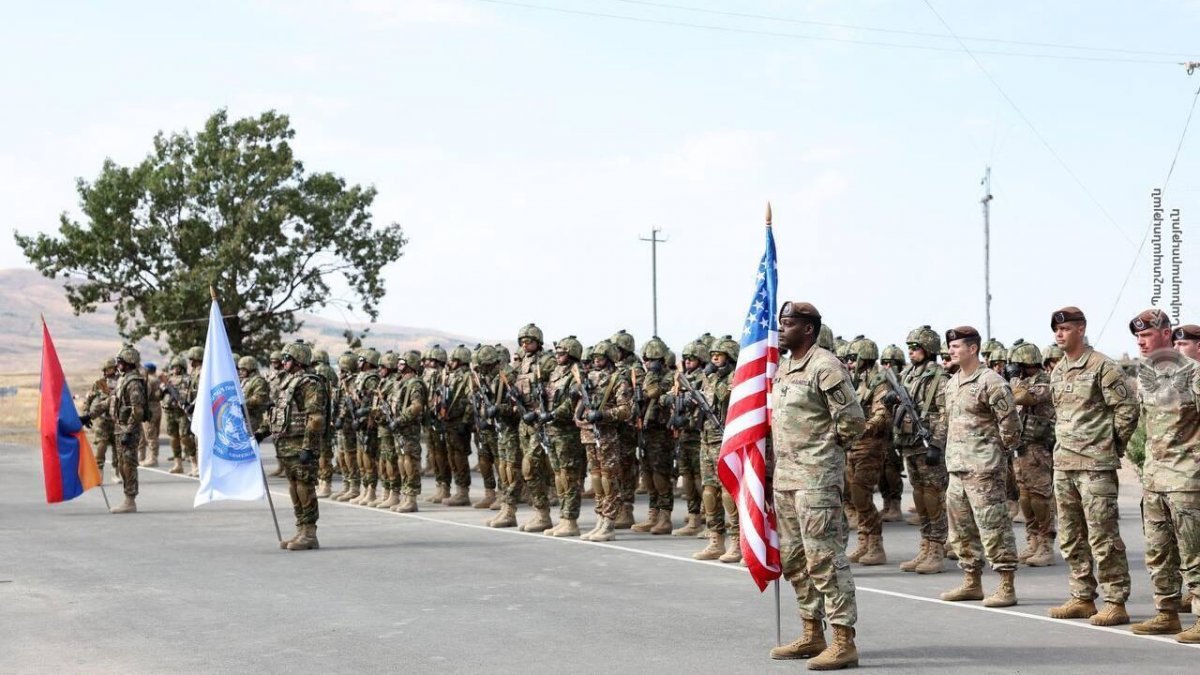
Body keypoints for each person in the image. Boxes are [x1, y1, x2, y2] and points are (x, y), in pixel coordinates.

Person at [770, 301, 864, 668]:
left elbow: (852, 422)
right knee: (794, 560)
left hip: (816, 481)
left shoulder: (824, 366)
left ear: (808, 329)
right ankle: (812, 633)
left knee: (825, 560)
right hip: (787, 480)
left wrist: (823, 453)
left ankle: (843, 640)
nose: (781, 329)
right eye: (781, 323)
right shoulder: (784, 367)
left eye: (789, 323)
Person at [1046, 306, 1138, 626]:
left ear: (1081, 329)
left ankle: (1115, 601)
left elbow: (1126, 410)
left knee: (1103, 535)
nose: (1060, 334)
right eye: (1056, 330)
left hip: (1095, 466)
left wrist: (1111, 446)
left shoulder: (1103, 366)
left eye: (1066, 329)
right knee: (1071, 536)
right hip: (1064, 463)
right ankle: (1082, 596)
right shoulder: (1058, 370)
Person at [1127, 310, 1200, 641]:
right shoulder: (1147, 375)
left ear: (1167, 334)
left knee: (1193, 553)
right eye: (1138, 338)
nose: (1141, 342)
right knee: (1158, 552)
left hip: (1187, 480)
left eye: (1147, 335)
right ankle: (1166, 613)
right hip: (1155, 479)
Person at [935, 327, 1022, 607]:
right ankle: (971, 582)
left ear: (973, 348)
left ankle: (1006, 586)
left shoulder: (991, 382)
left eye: (957, 345)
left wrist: (997, 454)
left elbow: (1010, 424)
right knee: (960, 530)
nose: (951, 350)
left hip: (984, 469)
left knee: (994, 527)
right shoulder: (952, 382)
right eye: (950, 345)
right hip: (957, 467)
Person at [894, 326, 950, 575]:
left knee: (933, 496)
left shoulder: (940, 378)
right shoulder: (908, 375)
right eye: (910, 347)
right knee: (919, 494)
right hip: (910, 443)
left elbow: (944, 415)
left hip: (928, 445)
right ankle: (925, 546)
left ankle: (937, 548)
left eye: (915, 348)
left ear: (928, 350)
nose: (911, 352)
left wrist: (937, 445)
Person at [267, 341, 325, 550]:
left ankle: (310, 533)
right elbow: (279, 410)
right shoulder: (288, 382)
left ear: (299, 360)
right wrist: (261, 432)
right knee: (293, 486)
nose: (283, 362)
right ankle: (301, 528)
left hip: (301, 444)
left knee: (304, 487)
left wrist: (308, 447)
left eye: (287, 358)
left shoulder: (310, 383)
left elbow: (315, 418)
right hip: (286, 443)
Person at [1007, 341, 1057, 567]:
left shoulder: (1044, 382)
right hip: (1021, 447)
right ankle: (1033, 539)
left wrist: (1014, 380)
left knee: (1040, 497)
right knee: (1025, 496)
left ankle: (1046, 543)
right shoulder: (1023, 382)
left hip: (1038, 448)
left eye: (1016, 365)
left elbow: (1022, 398)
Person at [578, 340, 633, 542]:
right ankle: (600, 518)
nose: (596, 361)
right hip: (589, 435)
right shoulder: (589, 378)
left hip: (607, 435)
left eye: (600, 358)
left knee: (608, 479)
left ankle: (609, 522)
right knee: (595, 479)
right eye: (594, 358)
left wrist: (603, 415)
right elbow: (582, 405)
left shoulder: (618, 380)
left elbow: (625, 410)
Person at [693, 336, 741, 563]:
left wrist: (711, 375)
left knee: (728, 494)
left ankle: (737, 542)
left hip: (726, 441)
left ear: (730, 358)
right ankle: (716, 539)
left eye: (719, 355)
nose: (713, 358)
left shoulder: (736, 377)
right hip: (706, 440)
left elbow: (723, 395)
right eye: (712, 355)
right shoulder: (708, 378)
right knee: (709, 492)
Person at [846, 338, 890, 566]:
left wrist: (864, 428)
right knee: (854, 496)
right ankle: (864, 540)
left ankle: (876, 543)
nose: (850, 363)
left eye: (854, 358)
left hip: (870, 445)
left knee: (860, 493)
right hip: (852, 445)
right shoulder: (855, 380)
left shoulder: (880, 381)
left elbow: (881, 414)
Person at [540, 336, 587, 536]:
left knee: (570, 477)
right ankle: (563, 517)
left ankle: (571, 520)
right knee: (558, 476)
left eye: (562, 353)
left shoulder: (577, 374)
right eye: (557, 352)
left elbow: (571, 403)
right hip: (553, 430)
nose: (557, 356)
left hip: (567, 432)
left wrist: (552, 414)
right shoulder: (556, 373)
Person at [667, 340, 706, 536]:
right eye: (686, 359)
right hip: (683, 436)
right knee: (688, 479)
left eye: (692, 358)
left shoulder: (703, 378)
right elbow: (665, 397)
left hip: (698, 436)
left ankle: (708, 516)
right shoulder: (681, 378)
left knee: (701, 480)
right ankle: (694, 519)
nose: (688, 362)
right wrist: (673, 400)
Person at [108, 346, 147, 513]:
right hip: (120, 429)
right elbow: (113, 401)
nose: (118, 364)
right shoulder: (123, 379)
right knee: (123, 464)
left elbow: (137, 410)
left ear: (129, 363)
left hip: (128, 430)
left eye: (121, 362)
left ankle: (130, 500)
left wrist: (129, 431)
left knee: (128, 465)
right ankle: (127, 498)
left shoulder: (133, 383)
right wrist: (90, 415)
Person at [388, 350, 427, 513]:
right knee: (402, 462)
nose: (398, 366)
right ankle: (405, 496)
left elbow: (417, 406)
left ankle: (411, 499)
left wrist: (400, 419)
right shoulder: (401, 383)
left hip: (408, 429)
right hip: (400, 430)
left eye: (402, 363)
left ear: (410, 365)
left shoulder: (415, 384)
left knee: (410, 462)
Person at [877, 345, 907, 523]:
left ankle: (895, 505)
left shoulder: (904, 381)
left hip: (897, 431)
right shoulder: (881, 381)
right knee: (881, 469)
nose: (888, 366)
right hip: (883, 430)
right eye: (885, 362)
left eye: (892, 363)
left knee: (892, 469)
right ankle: (887, 503)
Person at [349, 348, 382, 505]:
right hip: (359, 421)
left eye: (362, 360)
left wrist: (365, 415)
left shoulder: (372, 379)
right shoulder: (360, 377)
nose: (359, 363)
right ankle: (364, 488)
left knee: (369, 457)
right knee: (361, 457)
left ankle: (371, 490)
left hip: (368, 422)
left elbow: (374, 403)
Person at [82, 358, 117, 481]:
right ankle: (99, 472)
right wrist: (86, 415)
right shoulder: (99, 384)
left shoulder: (121, 382)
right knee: (101, 446)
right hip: (102, 421)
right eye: (108, 369)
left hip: (117, 421)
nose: (110, 371)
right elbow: (89, 400)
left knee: (117, 447)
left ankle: (116, 472)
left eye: (112, 368)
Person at [162, 356, 192, 475]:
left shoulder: (187, 379)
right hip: (169, 412)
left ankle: (194, 462)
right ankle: (178, 464)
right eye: (174, 367)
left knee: (184, 436)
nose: (175, 369)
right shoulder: (168, 380)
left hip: (182, 412)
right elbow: (160, 395)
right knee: (173, 438)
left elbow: (188, 395)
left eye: (178, 367)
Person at [139, 362, 162, 467]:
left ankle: (152, 458)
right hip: (157, 408)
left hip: (149, 410)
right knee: (154, 434)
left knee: (149, 434)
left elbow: (145, 395)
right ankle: (149, 456)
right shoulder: (157, 380)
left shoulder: (148, 381)